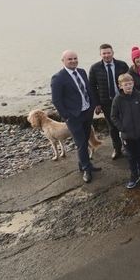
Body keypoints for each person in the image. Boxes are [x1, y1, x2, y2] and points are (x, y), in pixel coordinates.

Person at [51, 50, 102, 183]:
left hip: (87, 112)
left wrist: (92, 106)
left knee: (85, 140)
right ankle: (86, 168)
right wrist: (66, 116)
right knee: (80, 143)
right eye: (70, 59)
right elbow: (56, 100)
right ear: (63, 61)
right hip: (73, 117)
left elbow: (88, 89)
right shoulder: (58, 78)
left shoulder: (82, 72)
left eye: (75, 58)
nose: (73, 61)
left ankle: (84, 164)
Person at [110, 73, 140, 189]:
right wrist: (122, 127)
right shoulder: (118, 99)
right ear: (120, 86)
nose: (128, 86)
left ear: (133, 83)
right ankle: (134, 176)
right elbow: (113, 116)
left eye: (130, 84)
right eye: (125, 85)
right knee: (131, 155)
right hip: (127, 134)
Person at [88, 44, 130, 160]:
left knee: (126, 123)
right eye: (104, 53)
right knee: (112, 126)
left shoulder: (122, 65)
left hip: (123, 100)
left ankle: (128, 146)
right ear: (100, 54)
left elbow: (129, 81)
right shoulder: (95, 68)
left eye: (108, 53)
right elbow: (91, 87)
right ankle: (117, 148)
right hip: (106, 102)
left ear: (113, 53)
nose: (106, 55)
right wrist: (96, 104)